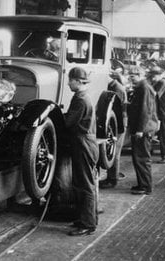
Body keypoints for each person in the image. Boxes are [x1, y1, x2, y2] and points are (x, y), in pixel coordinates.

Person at [64, 67, 99, 236]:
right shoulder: (83, 96)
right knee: (81, 184)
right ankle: (84, 219)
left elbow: (69, 122)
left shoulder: (80, 99)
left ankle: (87, 224)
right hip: (85, 144)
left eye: (70, 80)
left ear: (78, 81)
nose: (68, 83)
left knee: (85, 185)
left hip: (83, 145)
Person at [127, 66, 159, 195]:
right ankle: (142, 184)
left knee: (142, 158)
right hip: (142, 128)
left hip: (144, 129)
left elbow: (145, 110)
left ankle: (146, 186)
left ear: (140, 75)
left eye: (133, 76)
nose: (130, 78)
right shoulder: (141, 87)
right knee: (138, 157)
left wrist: (140, 129)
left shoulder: (144, 88)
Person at [100, 69, 128, 189]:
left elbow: (119, 110)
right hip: (116, 123)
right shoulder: (115, 87)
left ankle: (112, 179)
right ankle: (112, 177)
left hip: (119, 124)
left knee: (114, 152)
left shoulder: (117, 89)